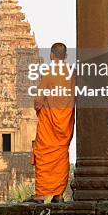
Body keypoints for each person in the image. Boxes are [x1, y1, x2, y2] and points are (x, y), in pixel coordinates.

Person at [29, 42, 75, 203]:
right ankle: (59, 194)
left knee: (42, 154)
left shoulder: (48, 74)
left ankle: (40, 195)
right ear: (66, 56)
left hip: (49, 122)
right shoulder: (72, 73)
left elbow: (38, 99)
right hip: (65, 123)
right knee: (62, 155)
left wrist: (39, 109)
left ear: (51, 55)